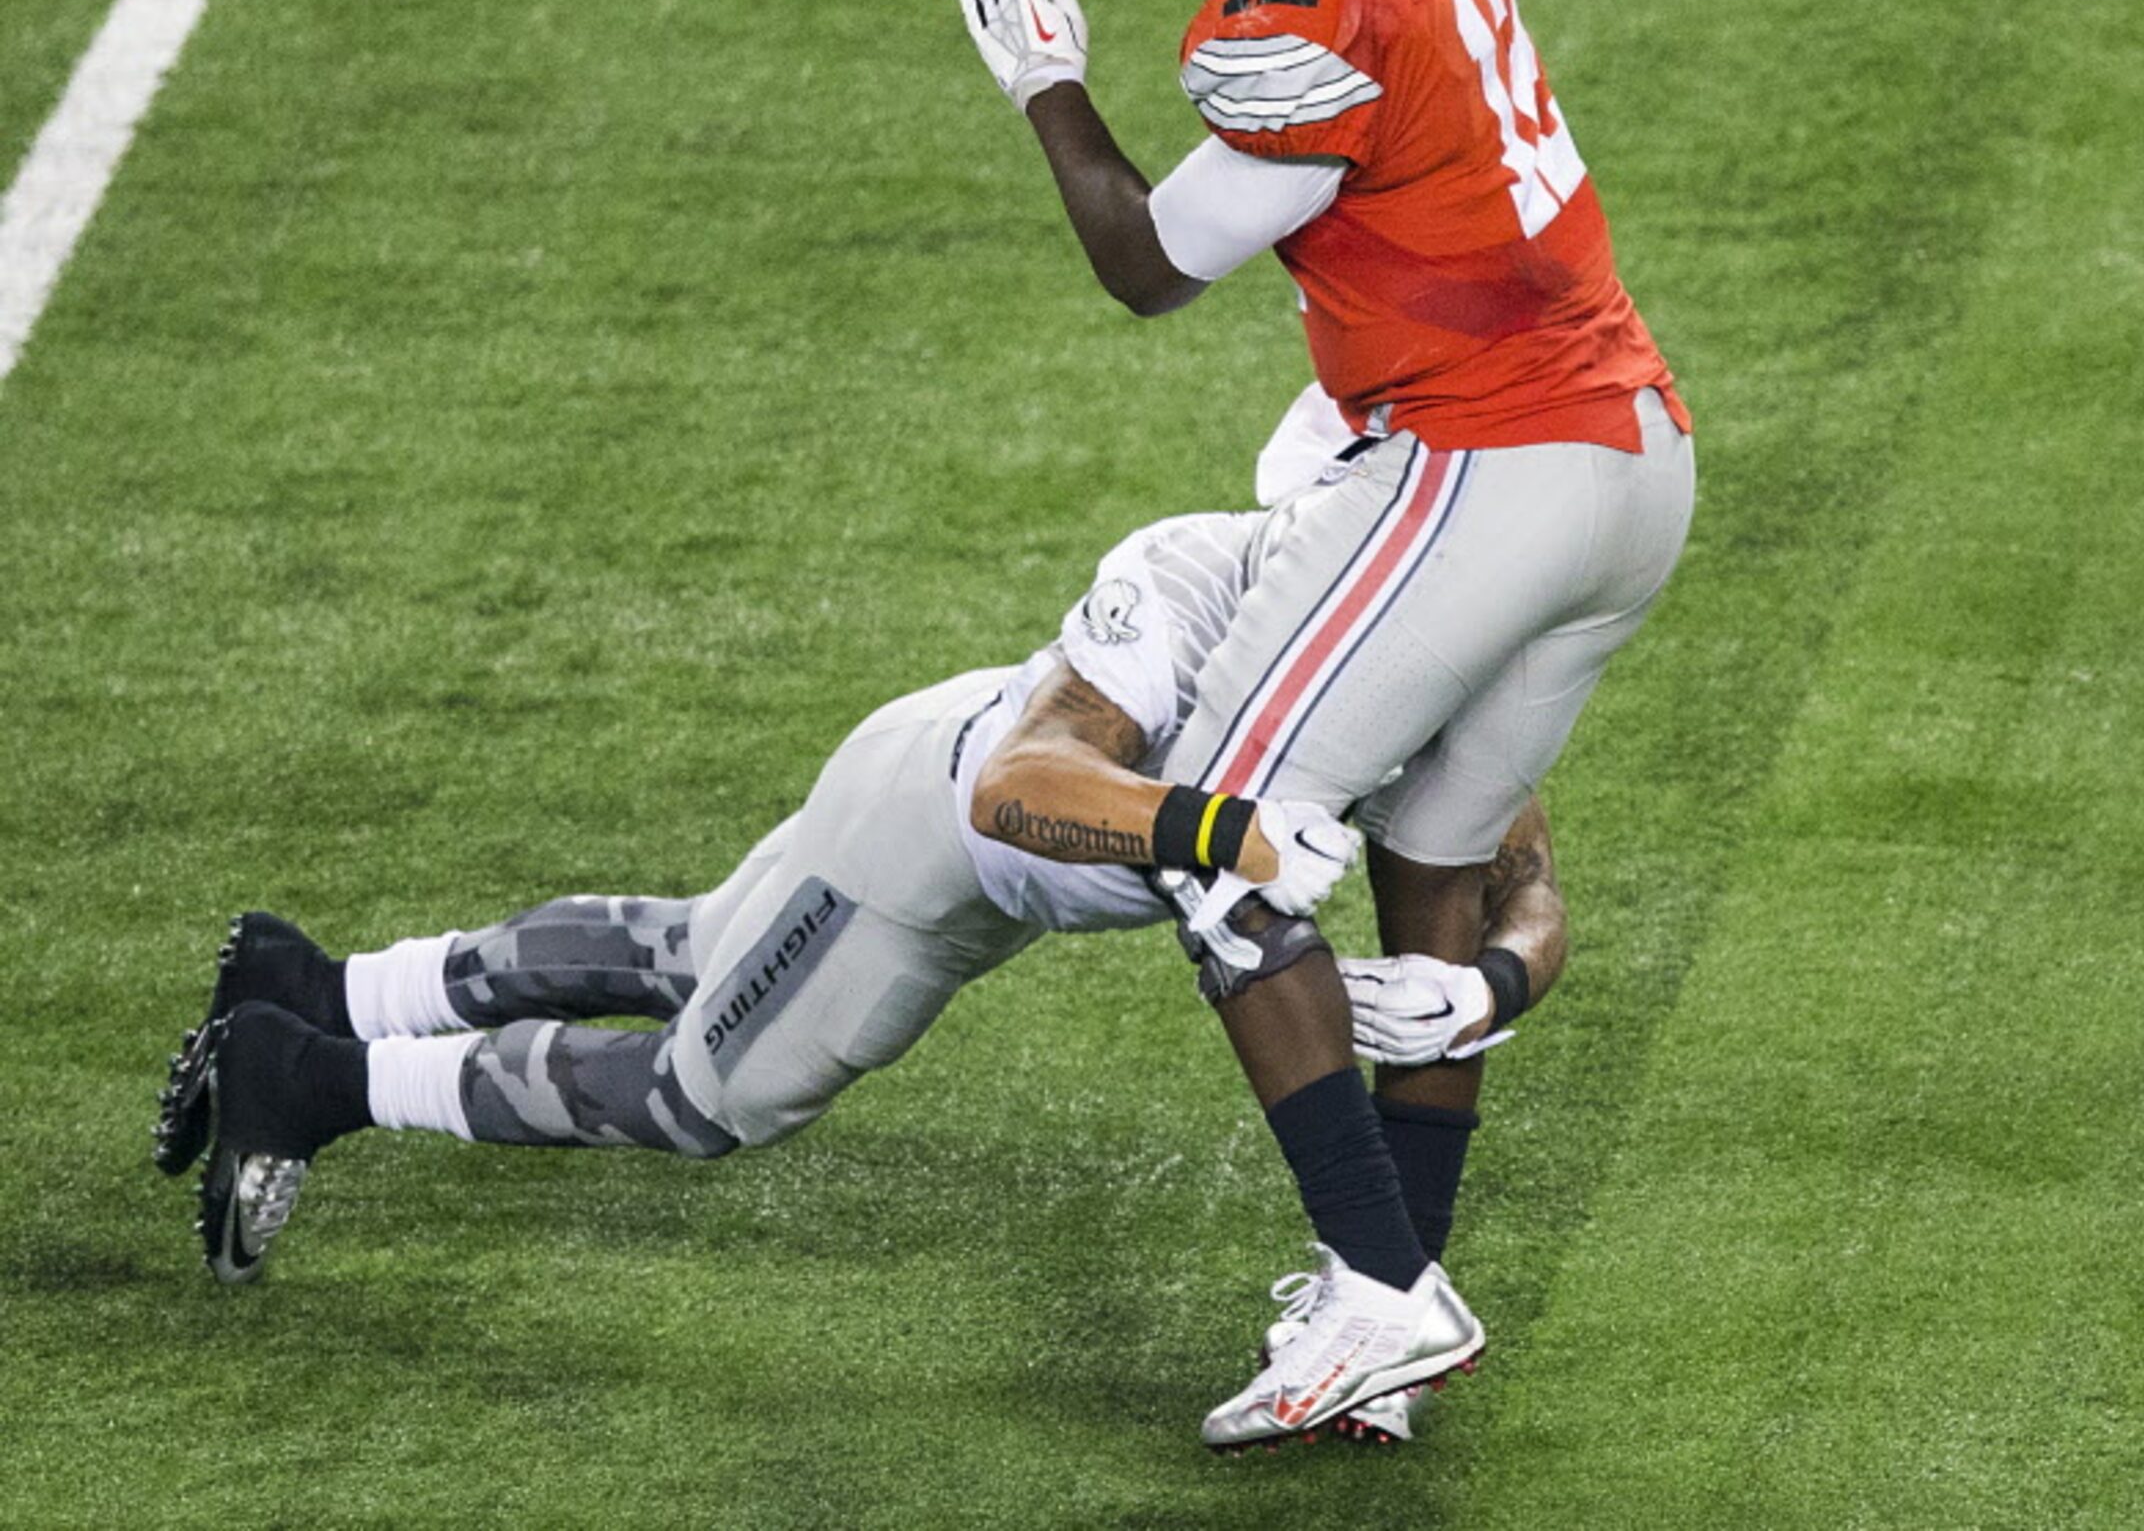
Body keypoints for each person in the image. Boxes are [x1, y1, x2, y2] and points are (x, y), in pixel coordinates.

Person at [804, 0, 1693, 1447]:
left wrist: (1050, 91)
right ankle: (1389, 1335)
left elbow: (1150, 263)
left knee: (1228, 838)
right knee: (1435, 870)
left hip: (1483, 454)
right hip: (1633, 456)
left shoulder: (1317, 25)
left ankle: (1378, 1288)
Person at [154, 481, 1568, 1444]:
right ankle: (307, 1078)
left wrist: (1484, 987)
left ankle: (322, 982)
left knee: (699, 944)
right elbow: (1019, 787)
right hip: (933, 846)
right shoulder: (1199, 572)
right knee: (697, 1095)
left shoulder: (1416, 658)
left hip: (931, 781)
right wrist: (1228, 830)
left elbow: (1524, 884)